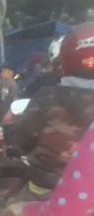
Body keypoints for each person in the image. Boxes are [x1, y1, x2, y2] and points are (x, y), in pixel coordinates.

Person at [7, 22, 94, 187]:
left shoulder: (48, 96)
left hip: (51, 181)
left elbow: (23, 137)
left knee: (13, 210)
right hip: (87, 192)